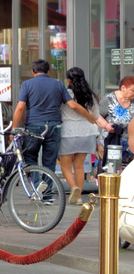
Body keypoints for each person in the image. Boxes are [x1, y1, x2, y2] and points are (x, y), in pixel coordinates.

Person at [59, 67, 108, 205]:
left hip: (68, 131)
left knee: (65, 165)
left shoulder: (66, 93)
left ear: (69, 80)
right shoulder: (90, 95)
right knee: (79, 166)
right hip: (87, 132)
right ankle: (79, 197)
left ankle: (73, 187)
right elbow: (96, 116)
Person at [12, 59, 69, 174]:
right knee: (50, 161)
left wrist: (14, 127)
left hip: (34, 124)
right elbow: (71, 104)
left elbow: (20, 107)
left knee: (30, 157)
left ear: (33, 71)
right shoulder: (59, 84)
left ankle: (37, 186)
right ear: (48, 71)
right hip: (54, 125)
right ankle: (47, 191)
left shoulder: (27, 84)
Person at [101, 76, 134, 166]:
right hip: (110, 142)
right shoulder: (109, 99)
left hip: (128, 145)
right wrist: (106, 125)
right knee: (110, 171)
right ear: (123, 88)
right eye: (133, 91)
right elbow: (97, 116)